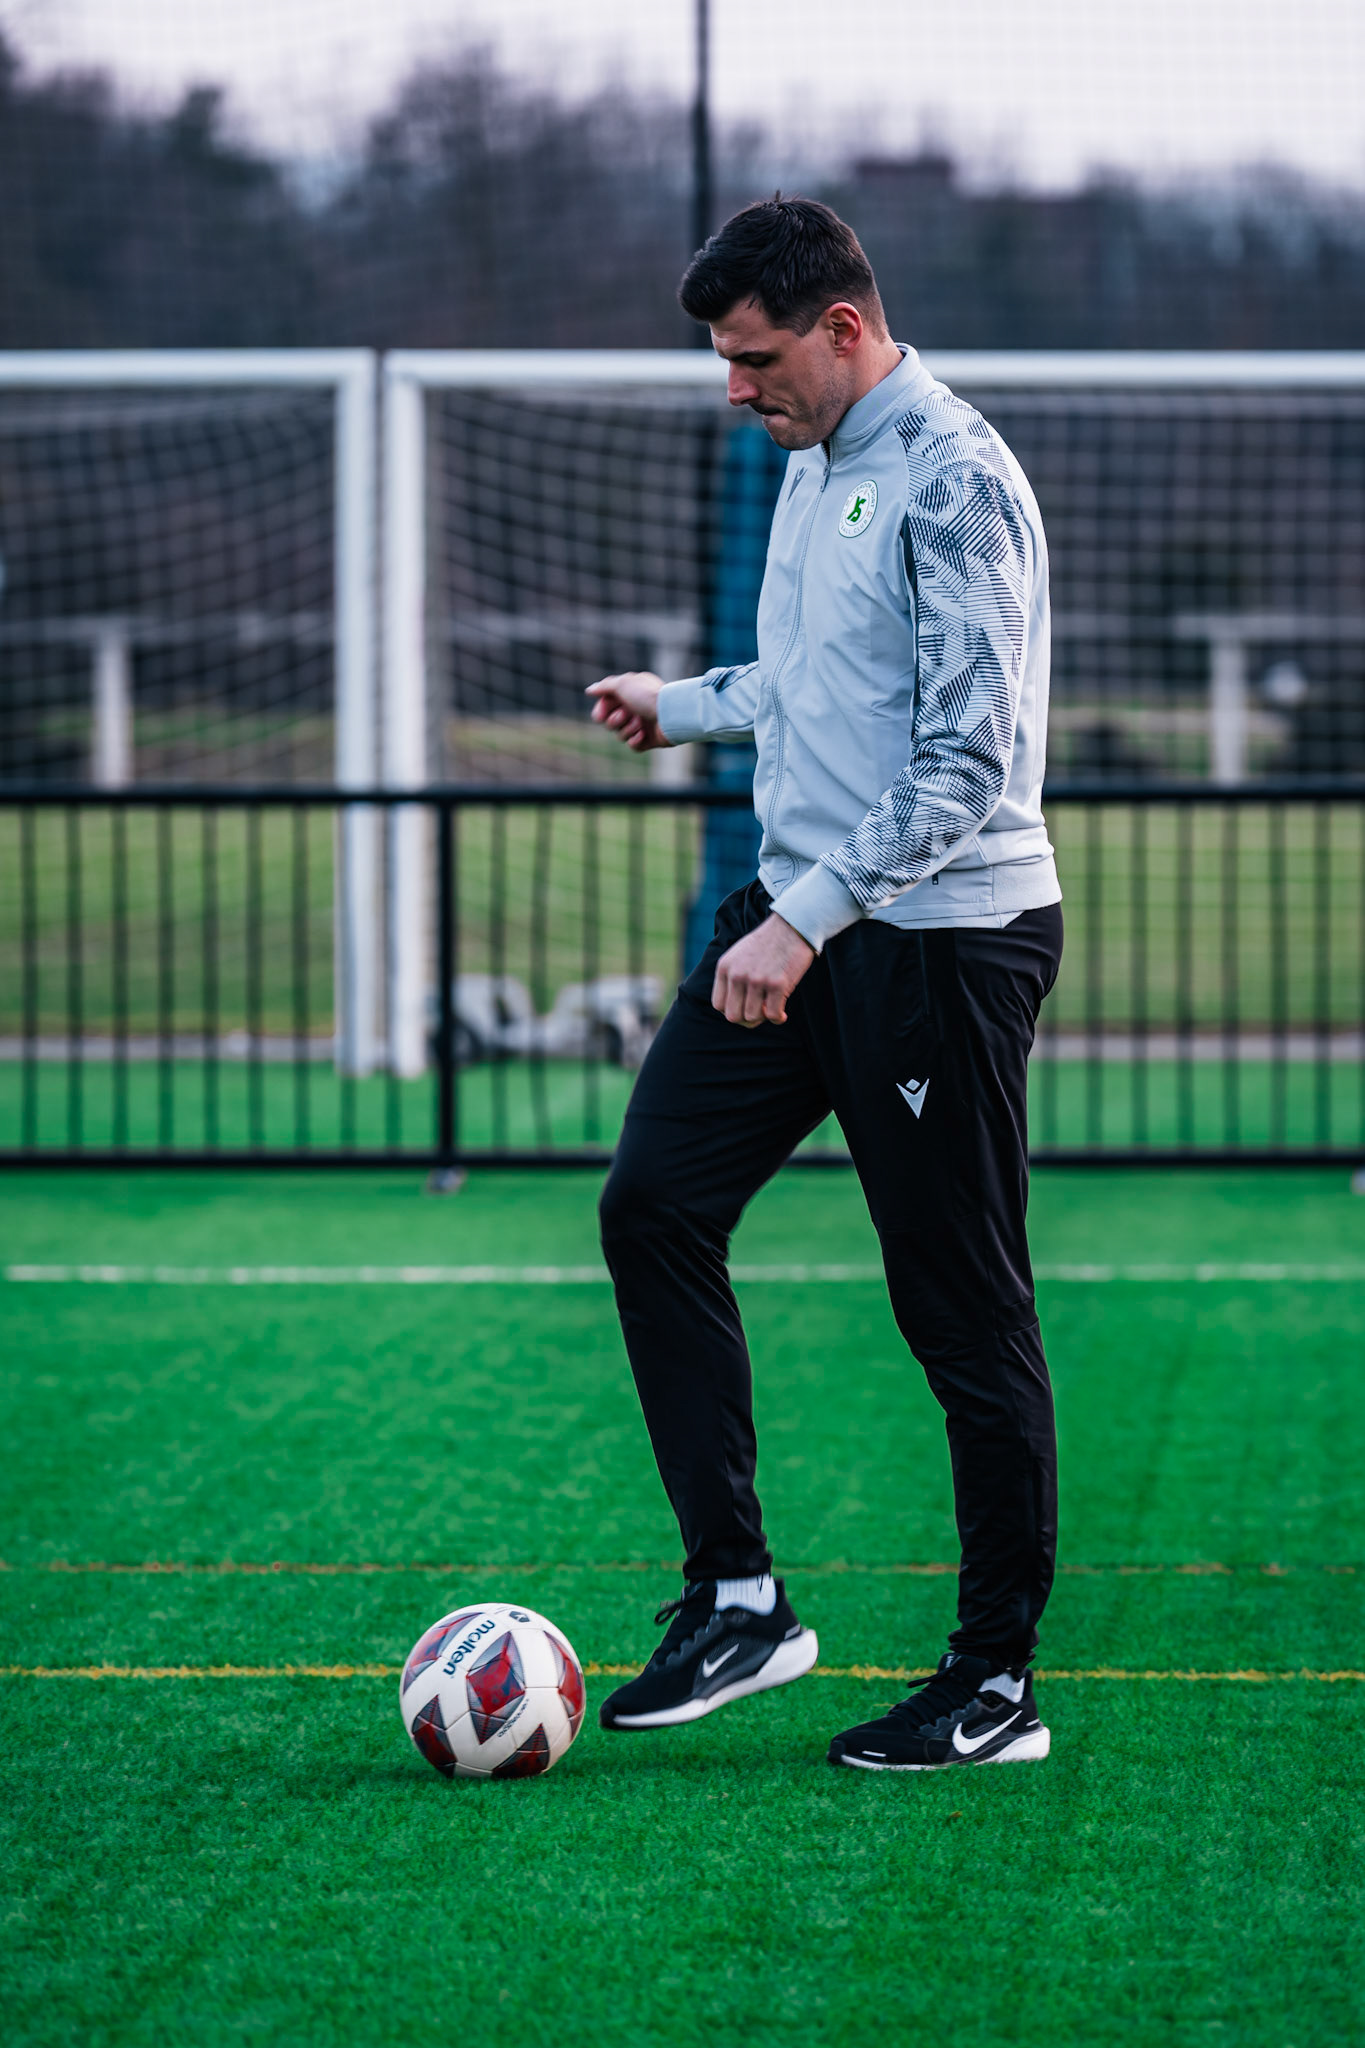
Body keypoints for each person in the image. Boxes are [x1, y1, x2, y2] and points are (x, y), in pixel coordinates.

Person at [586, 197, 1063, 1771]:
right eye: (725, 359)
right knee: (650, 1202)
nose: (734, 385)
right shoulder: (813, 465)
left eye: (753, 355)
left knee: (959, 1308)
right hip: (800, 916)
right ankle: (737, 1598)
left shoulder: (953, 475)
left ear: (842, 328)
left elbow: (964, 762)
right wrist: (690, 703)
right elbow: (815, 692)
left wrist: (802, 923)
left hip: (931, 939)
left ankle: (993, 1684)